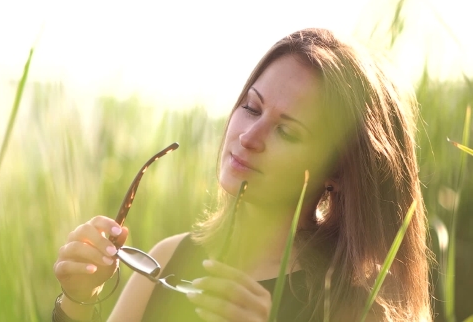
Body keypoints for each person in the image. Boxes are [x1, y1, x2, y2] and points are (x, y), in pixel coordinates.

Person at [52, 28, 432, 321]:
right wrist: (78, 299)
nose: (250, 138)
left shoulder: (362, 302)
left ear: (337, 171)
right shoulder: (170, 258)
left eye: (287, 131)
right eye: (252, 107)